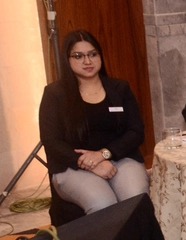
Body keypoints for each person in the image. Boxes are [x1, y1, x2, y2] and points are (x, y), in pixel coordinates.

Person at [39, 30, 149, 214]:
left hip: (120, 158)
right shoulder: (55, 94)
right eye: (78, 56)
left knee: (136, 199)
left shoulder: (120, 88)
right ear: (67, 59)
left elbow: (136, 131)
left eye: (92, 54)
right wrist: (89, 163)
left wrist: (104, 154)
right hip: (72, 165)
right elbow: (51, 141)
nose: (87, 61)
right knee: (103, 203)